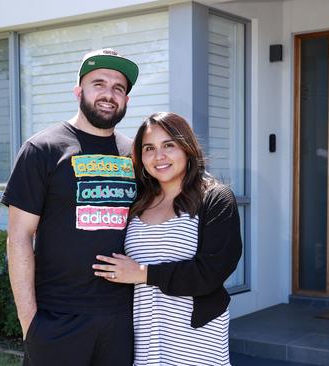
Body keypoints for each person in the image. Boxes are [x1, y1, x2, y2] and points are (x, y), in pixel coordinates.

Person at [2, 49, 139, 366]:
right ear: (79, 91)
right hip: (57, 319)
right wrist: (30, 323)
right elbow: (19, 237)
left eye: (118, 88)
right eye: (98, 84)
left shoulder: (134, 154)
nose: (108, 94)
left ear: (126, 100)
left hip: (121, 320)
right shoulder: (43, 149)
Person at [93, 112, 242, 366]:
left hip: (195, 340)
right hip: (145, 336)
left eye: (169, 145)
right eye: (149, 148)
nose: (158, 156)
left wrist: (144, 273)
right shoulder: (137, 202)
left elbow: (212, 271)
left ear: (187, 148)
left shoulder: (216, 199)